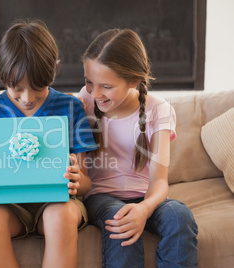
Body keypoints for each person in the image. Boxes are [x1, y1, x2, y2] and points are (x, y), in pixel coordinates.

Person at [0, 20, 96, 268]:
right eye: (16, 88)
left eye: (38, 88)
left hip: (58, 204)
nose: (27, 98)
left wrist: (78, 181)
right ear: (1, 76)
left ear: (53, 70)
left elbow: (85, 182)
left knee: (60, 214)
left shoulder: (70, 107)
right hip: (7, 207)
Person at [77, 28, 198, 267]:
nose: (96, 92)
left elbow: (160, 182)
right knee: (118, 217)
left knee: (179, 215)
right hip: (101, 196)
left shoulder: (159, 110)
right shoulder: (86, 99)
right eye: (89, 82)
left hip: (146, 195)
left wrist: (144, 209)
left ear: (133, 81)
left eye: (106, 86)